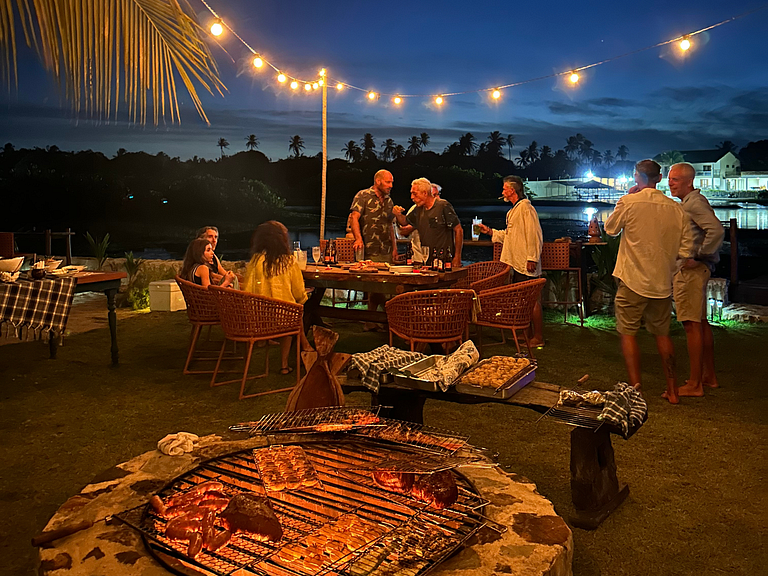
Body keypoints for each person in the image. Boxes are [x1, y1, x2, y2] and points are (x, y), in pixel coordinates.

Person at [604, 159, 695, 404]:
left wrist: (624, 198)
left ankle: (636, 389)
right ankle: (673, 391)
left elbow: (610, 228)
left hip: (633, 278)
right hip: (662, 282)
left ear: (637, 177)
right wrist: (671, 269)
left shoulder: (630, 202)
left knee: (628, 333)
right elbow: (686, 249)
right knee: (662, 334)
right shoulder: (675, 208)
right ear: (660, 177)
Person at [669, 162, 725, 397]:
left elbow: (717, 230)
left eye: (675, 180)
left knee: (691, 324)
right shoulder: (690, 203)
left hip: (691, 272)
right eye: (670, 179)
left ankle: (694, 384)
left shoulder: (694, 203)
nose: (670, 183)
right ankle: (707, 376)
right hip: (697, 270)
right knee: (700, 323)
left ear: (689, 182)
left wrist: (699, 256)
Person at [477, 175, 544, 347]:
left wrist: (532, 258)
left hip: (525, 262)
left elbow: (534, 234)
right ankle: (526, 333)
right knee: (523, 299)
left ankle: (538, 337)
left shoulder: (526, 209)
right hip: (518, 261)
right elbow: (510, 235)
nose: (502, 192)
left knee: (532, 299)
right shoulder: (515, 210)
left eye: (504, 188)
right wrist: (490, 232)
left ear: (512, 190)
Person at [243, 221, 312, 375]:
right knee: (294, 309)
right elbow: (299, 294)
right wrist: (303, 297)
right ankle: (284, 364)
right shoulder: (288, 262)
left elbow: (248, 288)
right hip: (282, 319)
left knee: (292, 309)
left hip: (258, 319)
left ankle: (303, 346)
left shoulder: (255, 261)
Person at [349, 170, 398, 327]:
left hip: (386, 249)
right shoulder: (362, 196)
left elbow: (391, 225)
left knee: (382, 286)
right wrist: (358, 238)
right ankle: (390, 319)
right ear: (378, 181)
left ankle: (371, 321)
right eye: (388, 182)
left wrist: (395, 248)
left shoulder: (389, 201)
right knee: (376, 286)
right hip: (370, 248)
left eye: (391, 182)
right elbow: (354, 218)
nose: (391, 186)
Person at [393, 178, 462, 268]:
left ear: (425, 193)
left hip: (444, 259)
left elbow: (458, 230)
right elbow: (405, 222)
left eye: (414, 193)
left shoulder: (443, 206)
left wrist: (457, 256)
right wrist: (398, 214)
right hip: (426, 259)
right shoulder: (418, 209)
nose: (412, 197)